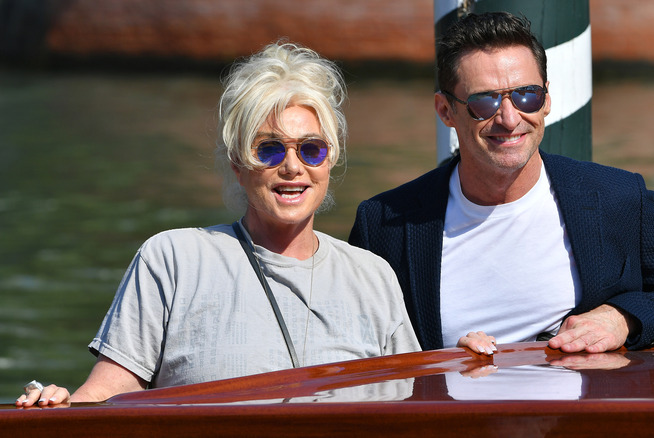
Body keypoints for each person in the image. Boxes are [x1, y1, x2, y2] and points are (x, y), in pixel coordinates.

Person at [17, 42, 495, 408]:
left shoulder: (372, 276)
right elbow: (108, 393)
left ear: (330, 161)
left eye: (311, 149)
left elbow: (414, 406)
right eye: (269, 149)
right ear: (238, 162)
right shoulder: (173, 259)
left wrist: (459, 365)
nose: (292, 167)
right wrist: (60, 407)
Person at [349, 12, 654, 354]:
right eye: (484, 102)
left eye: (526, 96)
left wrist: (622, 319)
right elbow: (355, 346)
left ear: (547, 99)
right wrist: (444, 359)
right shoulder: (382, 223)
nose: (510, 118)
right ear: (445, 111)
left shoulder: (616, 197)